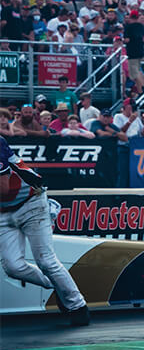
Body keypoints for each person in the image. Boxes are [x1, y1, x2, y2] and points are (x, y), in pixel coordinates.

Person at [1, 137, 89, 326]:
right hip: (3, 212)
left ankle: (78, 306)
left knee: (46, 261)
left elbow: (3, 187)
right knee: (12, 267)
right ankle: (57, 286)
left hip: (30, 203)